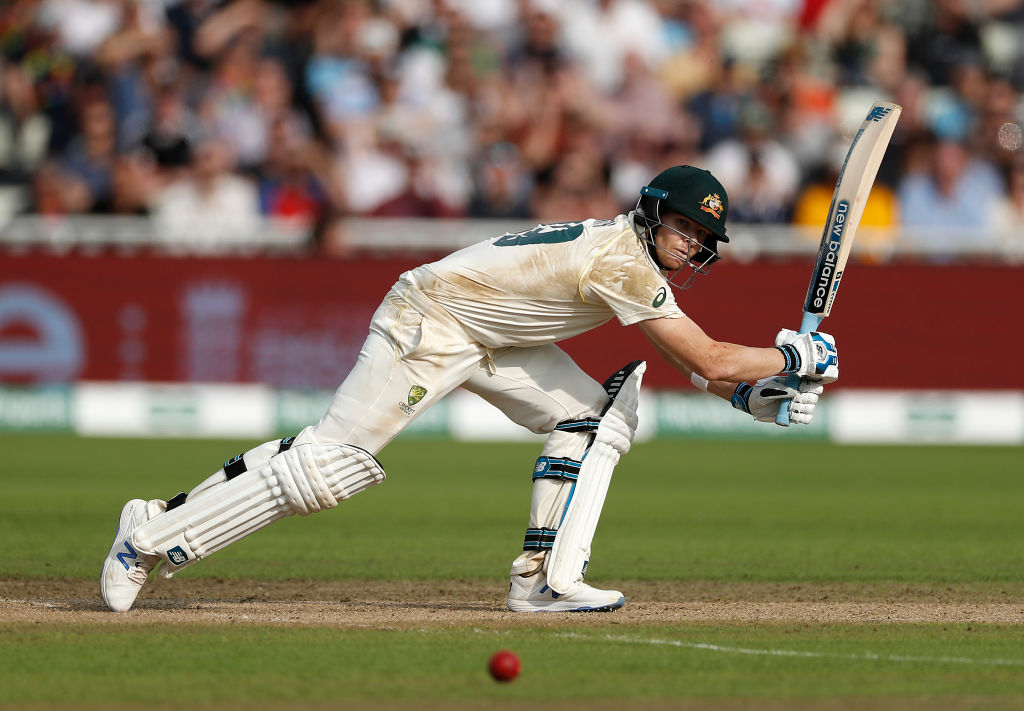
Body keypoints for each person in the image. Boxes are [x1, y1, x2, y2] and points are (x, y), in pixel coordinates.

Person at [100, 165, 838, 614]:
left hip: (492, 336)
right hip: (430, 320)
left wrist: (760, 393)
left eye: (700, 240)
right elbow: (707, 357)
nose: (690, 246)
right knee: (331, 467)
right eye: (683, 228)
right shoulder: (623, 262)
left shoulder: (630, 259)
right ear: (652, 213)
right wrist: (792, 353)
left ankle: (545, 581)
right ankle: (150, 534)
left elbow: (705, 369)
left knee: (598, 415)